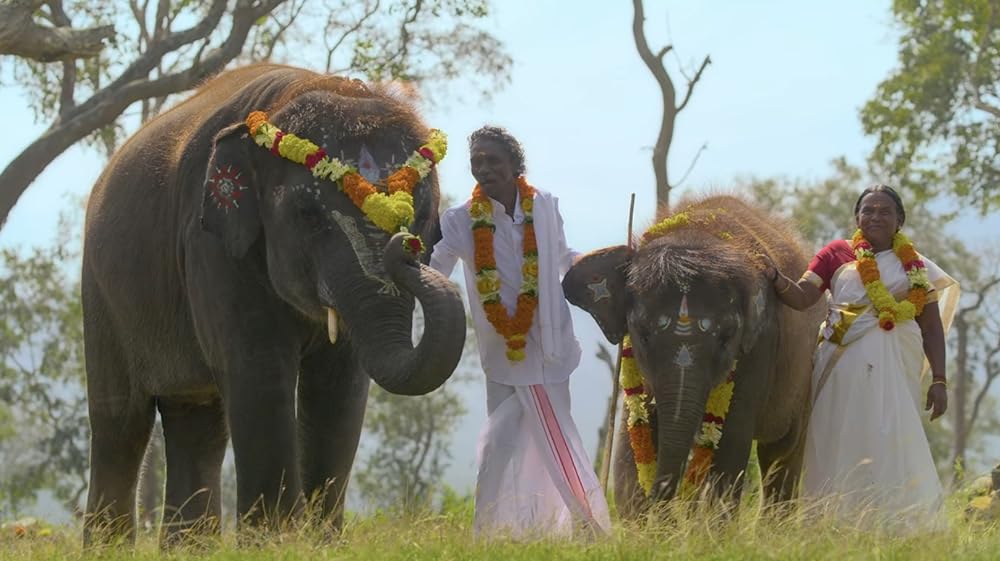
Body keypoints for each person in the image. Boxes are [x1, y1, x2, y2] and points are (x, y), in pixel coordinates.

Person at [429, 126, 611, 539]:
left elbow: (564, 256)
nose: (484, 168)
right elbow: (437, 267)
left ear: (515, 165)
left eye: (493, 160)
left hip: (549, 347)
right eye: (477, 161)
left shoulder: (544, 206)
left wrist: (602, 268)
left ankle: (586, 526)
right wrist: (403, 274)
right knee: (504, 443)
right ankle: (502, 530)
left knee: (551, 437)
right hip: (502, 353)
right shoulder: (460, 221)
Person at [762, 184, 959, 530]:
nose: (875, 216)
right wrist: (776, 279)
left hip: (895, 373)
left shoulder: (916, 267)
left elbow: (931, 328)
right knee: (833, 436)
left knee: (890, 438)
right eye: (868, 210)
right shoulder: (836, 254)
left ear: (899, 220)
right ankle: (828, 522)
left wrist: (940, 380)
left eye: (884, 211)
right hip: (840, 368)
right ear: (857, 216)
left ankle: (898, 524)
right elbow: (803, 296)